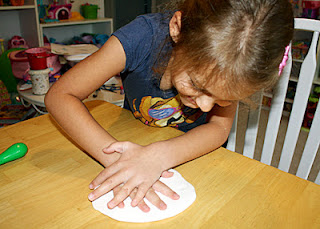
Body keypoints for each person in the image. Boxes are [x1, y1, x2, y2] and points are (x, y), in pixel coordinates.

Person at [45, 0, 294, 213]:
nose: (207, 107)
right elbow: (60, 96)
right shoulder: (141, 37)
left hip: (196, 158)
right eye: (197, 85)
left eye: (223, 99)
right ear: (177, 29)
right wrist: (120, 161)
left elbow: (218, 128)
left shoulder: (237, 61)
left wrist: (158, 156)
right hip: (130, 140)